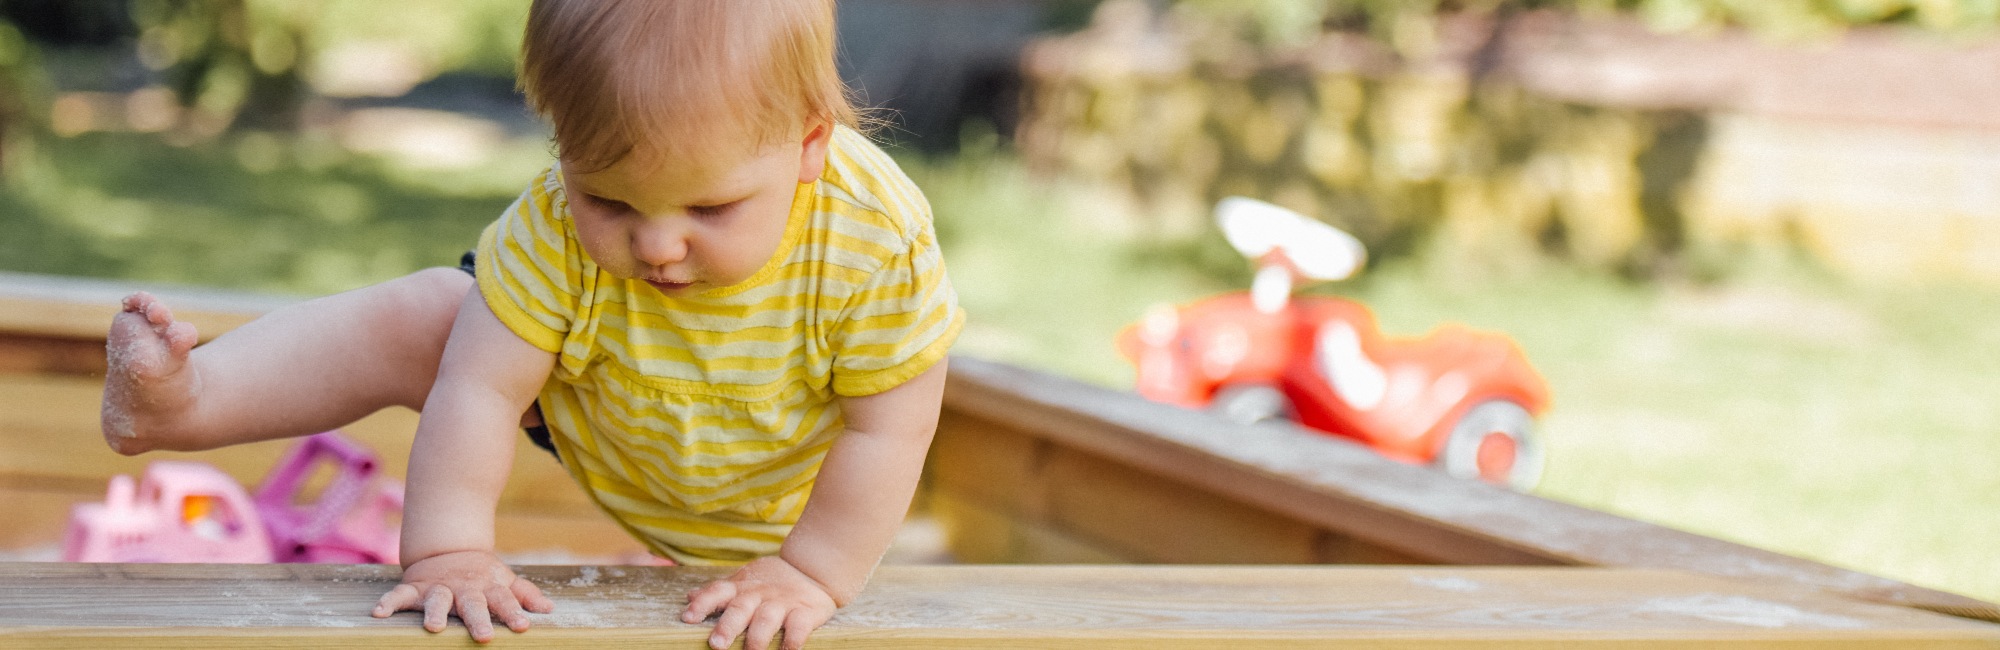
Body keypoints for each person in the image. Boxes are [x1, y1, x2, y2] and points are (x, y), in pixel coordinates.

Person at [96, 1, 963, 648]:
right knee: (436, 314)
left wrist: (811, 571)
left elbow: (891, 426)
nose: (657, 245)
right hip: (611, 413)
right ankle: (188, 398)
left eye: (712, 205)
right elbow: (479, 388)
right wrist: (447, 553)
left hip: (791, 492)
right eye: (609, 199)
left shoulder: (871, 239)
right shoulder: (551, 224)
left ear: (811, 146)